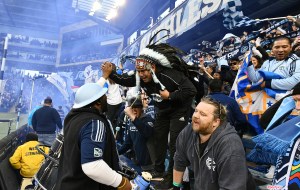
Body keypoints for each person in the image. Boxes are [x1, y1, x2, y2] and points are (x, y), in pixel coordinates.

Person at [102, 42, 197, 189]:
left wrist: (170, 96)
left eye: (143, 72)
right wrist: (111, 73)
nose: (141, 75)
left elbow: (191, 90)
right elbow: (124, 81)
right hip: (163, 111)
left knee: (174, 146)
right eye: (138, 72)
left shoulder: (169, 74)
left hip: (179, 111)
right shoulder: (140, 76)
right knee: (158, 140)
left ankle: (172, 177)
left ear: (152, 67)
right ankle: (158, 170)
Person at [55, 83, 131, 190]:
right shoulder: (94, 123)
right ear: (98, 102)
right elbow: (92, 166)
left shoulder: (72, 118)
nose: (107, 98)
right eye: (104, 96)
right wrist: (122, 182)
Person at [173, 97, 256, 190]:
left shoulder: (230, 146)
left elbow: (232, 188)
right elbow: (179, 160)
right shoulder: (189, 131)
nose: (196, 116)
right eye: (196, 111)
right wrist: (176, 187)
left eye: (203, 114)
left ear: (216, 122)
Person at [118, 96, 154, 172]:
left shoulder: (149, 120)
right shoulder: (131, 122)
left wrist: (133, 118)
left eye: (137, 107)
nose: (134, 110)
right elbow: (128, 143)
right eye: (131, 108)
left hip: (150, 165)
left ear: (141, 108)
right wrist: (116, 152)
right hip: (136, 163)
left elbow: (147, 132)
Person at [97, 63, 124, 129]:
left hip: (110, 104)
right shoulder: (117, 76)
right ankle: (118, 134)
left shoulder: (105, 81)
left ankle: (113, 135)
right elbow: (120, 70)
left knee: (110, 121)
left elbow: (101, 90)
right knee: (119, 119)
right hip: (119, 101)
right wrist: (121, 66)